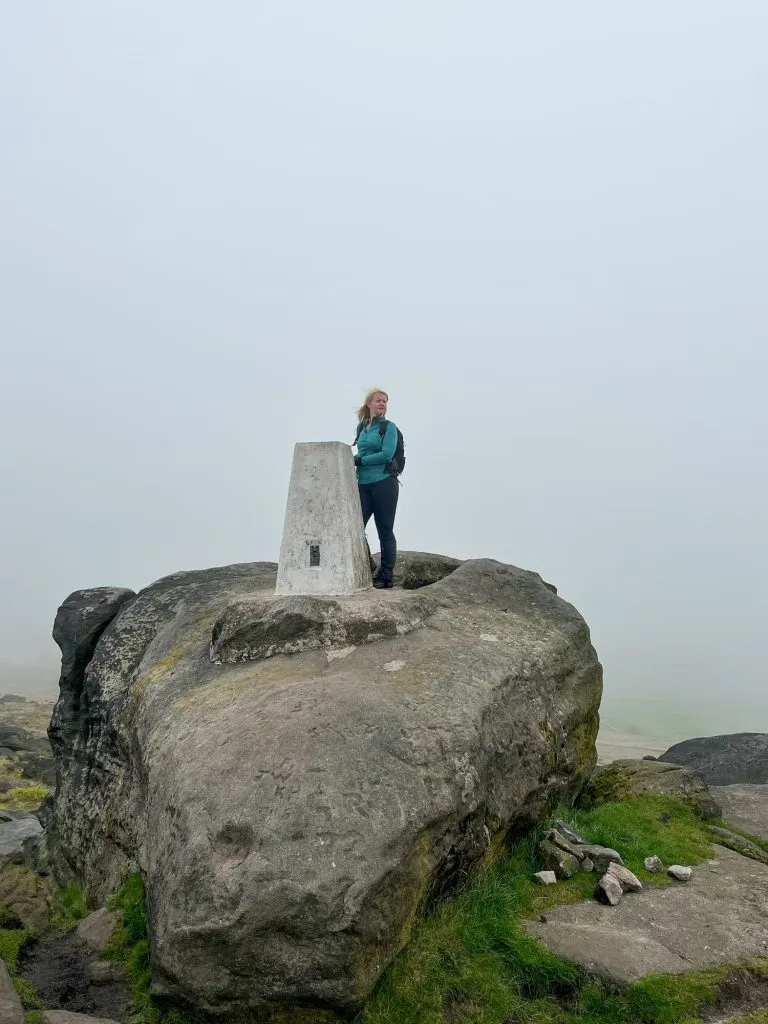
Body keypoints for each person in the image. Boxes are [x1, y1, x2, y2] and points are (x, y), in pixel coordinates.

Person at [353, 388, 399, 589]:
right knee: (355, 528)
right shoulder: (362, 427)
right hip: (362, 484)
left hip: (384, 483)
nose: (382, 404)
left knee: (385, 530)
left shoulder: (389, 427)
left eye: (385, 402)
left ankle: (386, 575)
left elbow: (387, 454)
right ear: (369, 404)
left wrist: (361, 460)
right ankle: (367, 565)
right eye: (379, 400)